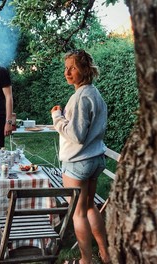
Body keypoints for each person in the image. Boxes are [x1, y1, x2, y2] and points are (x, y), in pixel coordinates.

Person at [50, 50, 111, 264]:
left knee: (78, 214)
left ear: (85, 70)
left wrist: (57, 117)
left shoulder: (80, 97)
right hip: (95, 159)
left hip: (78, 162)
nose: (67, 72)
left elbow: (76, 135)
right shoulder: (95, 94)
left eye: (73, 67)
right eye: (66, 67)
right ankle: (105, 254)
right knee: (89, 207)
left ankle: (86, 260)